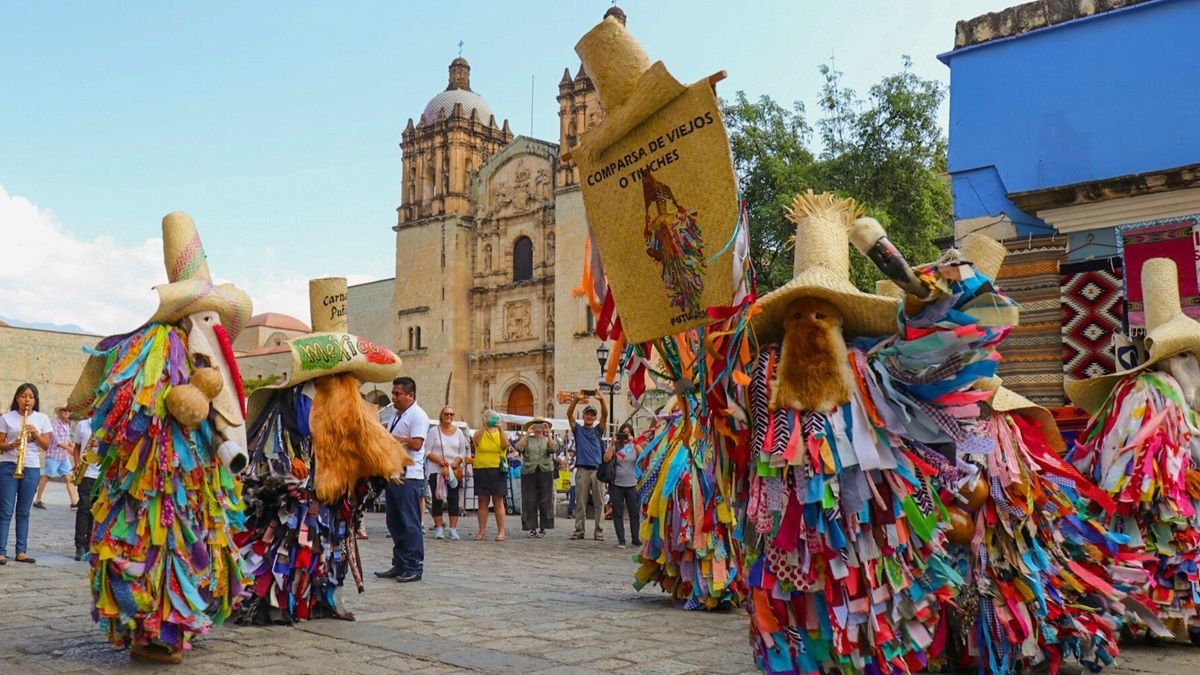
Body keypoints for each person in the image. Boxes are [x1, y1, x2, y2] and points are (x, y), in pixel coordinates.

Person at [377, 376, 428, 583]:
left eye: (398, 394)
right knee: (395, 521)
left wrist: (392, 440)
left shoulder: (418, 415)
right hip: (394, 474)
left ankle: (414, 565)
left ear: (410, 395)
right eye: (393, 393)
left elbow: (416, 444)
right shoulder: (397, 415)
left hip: (410, 476)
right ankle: (400, 563)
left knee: (410, 523)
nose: (394, 397)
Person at [0, 383, 52, 564]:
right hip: (8, 465)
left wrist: (36, 434)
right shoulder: (7, 417)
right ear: (17, 398)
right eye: (23, 396)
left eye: (30, 396)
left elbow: (46, 446)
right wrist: (10, 445)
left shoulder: (42, 418)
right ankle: (1, 551)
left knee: (23, 511)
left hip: (30, 466)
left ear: (35, 400)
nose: (27, 399)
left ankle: (21, 551)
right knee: (5, 510)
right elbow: (0, 443)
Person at [567, 392, 607, 541]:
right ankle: (579, 530)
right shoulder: (578, 430)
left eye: (592, 415)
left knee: (599, 503)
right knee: (580, 502)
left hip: (597, 470)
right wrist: (576, 399)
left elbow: (605, 415)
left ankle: (599, 531)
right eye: (587, 414)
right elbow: (569, 414)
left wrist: (602, 400)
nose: (590, 417)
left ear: (594, 418)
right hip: (582, 470)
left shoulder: (598, 431)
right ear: (583, 416)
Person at [426, 405, 466, 541]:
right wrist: (438, 460)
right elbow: (427, 451)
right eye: (446, 414)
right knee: (437, 499)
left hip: (453, 471)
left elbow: (462, 451)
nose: (449, 417)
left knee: (453, 499)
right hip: (437, 471)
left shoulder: (459, 432)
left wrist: (456, 462)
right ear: (441, 415)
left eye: (451, 414)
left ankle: (453, 529)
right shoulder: (433, 432)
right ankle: (438, 528)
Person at [470, 410, 509, 541]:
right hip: (481, 468)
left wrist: (501, 429)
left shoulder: (501, 433)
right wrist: (484, 426)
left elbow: (505, 446)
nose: (492, 421)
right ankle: (481, 532)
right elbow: (475, 442)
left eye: (494, 418)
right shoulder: (479, 432)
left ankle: (501, 532)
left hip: (497, 469)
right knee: (482, 501)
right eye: (490, 418)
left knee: (498, 501)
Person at [516, 417, 557, 537]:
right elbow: (519, 447)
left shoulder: (546, 439)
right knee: (529, 499)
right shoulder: (528, 439)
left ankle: (544, 527)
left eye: (541, 424)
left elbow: (553, 448)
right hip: (529, 471)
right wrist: (528, 433)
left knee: (545, 499)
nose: (538, 426)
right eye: (536, 424)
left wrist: (548, 433)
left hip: (545, 471)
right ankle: (531, 527)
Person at [603, 422, 641, 549]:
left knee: (634, 512)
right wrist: (612, 444)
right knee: (618, 512)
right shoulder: (617, 446)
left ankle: (635, 538)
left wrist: (634, 441)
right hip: (617, 484)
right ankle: (621, 540)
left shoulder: (634, 446)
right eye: (623, 432)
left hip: (632, 484)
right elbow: (606, 459)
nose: (625, 435)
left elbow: (643, 455)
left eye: (628, 433)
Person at [33, 405, 78, 509]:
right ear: (60, 413)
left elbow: (67, 438)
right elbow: (57, 441)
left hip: (63, 456)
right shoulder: (54, 424)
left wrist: (72, 445)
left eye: (69, 411)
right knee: (47, 476)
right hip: (53, 455)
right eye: (65, 411)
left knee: (69, 478)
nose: (67, 413)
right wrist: (69, 448)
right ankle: (38, 499)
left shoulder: (67, 424)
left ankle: (74, 502)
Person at [72, 411, 100, 561]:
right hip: (86, 472)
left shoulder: (110, 426)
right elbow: (76, 447)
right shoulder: (83, 425)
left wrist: (101, 445)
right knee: (84, 508)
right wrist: (77, 464)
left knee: (96, 510)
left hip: (101, 473)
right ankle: (80, 545)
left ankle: (91, 543)